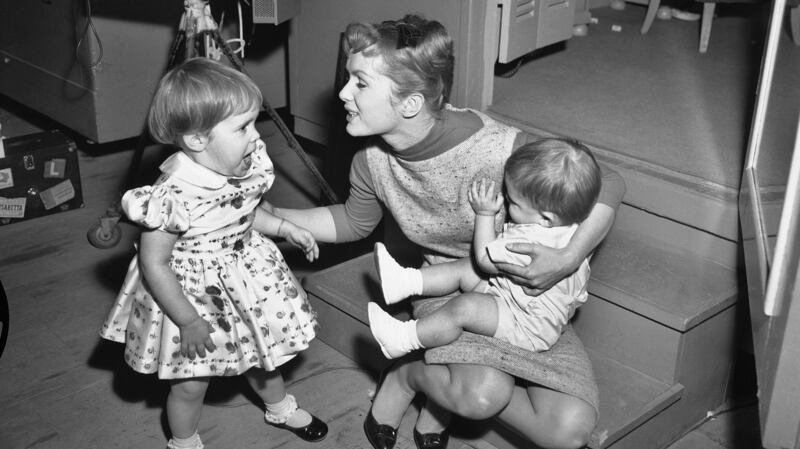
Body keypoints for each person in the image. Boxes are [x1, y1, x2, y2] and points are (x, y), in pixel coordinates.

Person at [273, 15, 625, 449]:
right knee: (482, 394)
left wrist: (567, 258)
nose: (343, 93)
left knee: (569, 432)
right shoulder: (372, 160)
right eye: (349, 79)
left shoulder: (495, 146)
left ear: (410, 103)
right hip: (445, 282)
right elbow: (352, 221)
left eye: (360, 83)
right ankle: (408, 377)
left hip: (523, 293)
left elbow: (608, 181)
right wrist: (272, 216)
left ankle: (436, 392)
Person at [99, 58, 328, 449]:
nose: (257, 137)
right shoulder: (172, 194)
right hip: (190, 296)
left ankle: (280, 407)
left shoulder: (242, 164)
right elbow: (155, 263)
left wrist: (286, 227)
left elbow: (245, 213)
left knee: (263, 352)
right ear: (197, 140)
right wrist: (187, 322)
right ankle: (185, 441)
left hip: (243, 277)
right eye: (243, 127)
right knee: (190, 384)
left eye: (254, 123)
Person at [368, 138, 601, 359]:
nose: (507, 203)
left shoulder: (527, 243)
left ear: (546, 219)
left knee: (465, 307)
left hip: (525, 327)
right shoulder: (576, 232)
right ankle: (404, 282)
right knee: (464, 269)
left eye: (514, 203)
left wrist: (485, 213)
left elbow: (483, 258)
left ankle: (403, 339)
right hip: (519, 300)